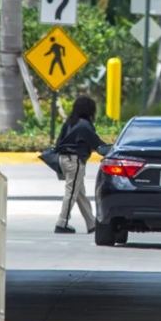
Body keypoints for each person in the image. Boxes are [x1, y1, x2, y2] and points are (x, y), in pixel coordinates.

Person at [53, 95, 107, 234]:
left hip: (63, 159)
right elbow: (97, 143)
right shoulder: (85, 125)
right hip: (75, 160)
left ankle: (91, 224)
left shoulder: (70, 122)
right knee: (71, 192)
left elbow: (59, 142)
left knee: (79, 193)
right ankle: (62, 222)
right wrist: (111, 150)